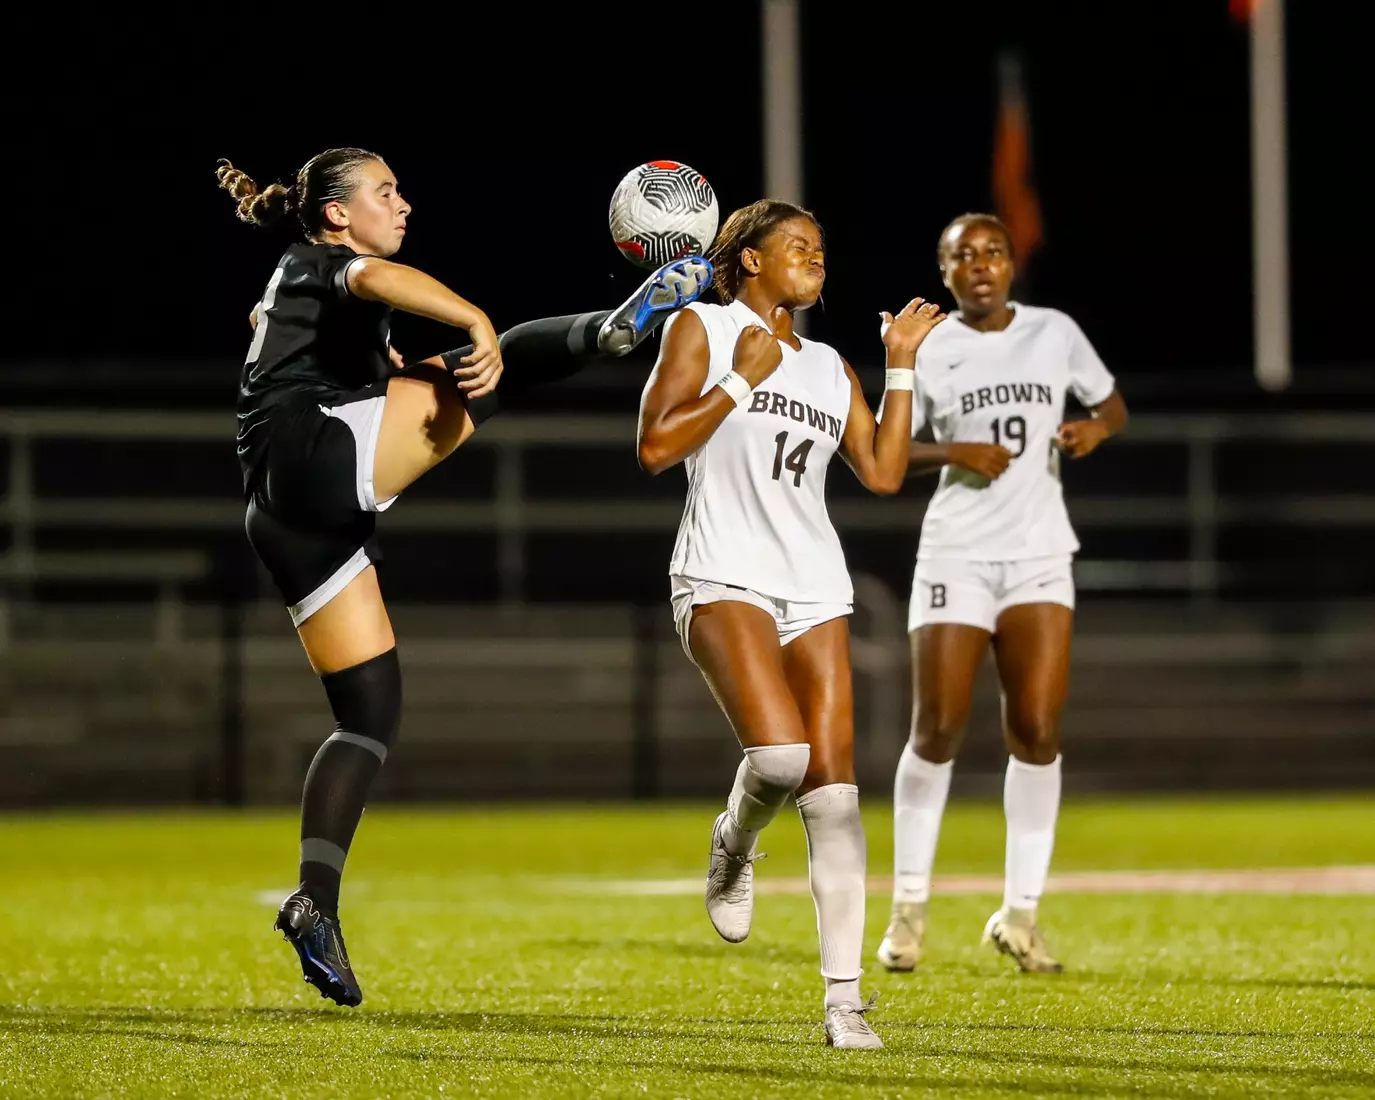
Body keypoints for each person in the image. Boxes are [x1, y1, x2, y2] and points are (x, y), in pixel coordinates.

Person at [217, 147, 713, 1007]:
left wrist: (410, 370)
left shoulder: (306, 282)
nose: (401, 202)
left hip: (287, 515)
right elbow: (376, 282)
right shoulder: (328, 261)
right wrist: (475, 319)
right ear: (337, 213)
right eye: (384, 192)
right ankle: (612, 332)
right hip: (313, 453)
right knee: (507, 352)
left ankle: (314, 904)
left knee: (368, 714)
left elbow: (357, 346)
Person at [637, 198, 946, 1048]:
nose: (814, 258)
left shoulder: (828, 365)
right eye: (796, 248)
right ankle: (733, 841)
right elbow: (656, 448)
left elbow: (882, 471)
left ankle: (843, 1003)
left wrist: (900, 366)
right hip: (720, 570)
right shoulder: (700, 327)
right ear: (747, 261)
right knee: (777, 756)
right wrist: (742, 376)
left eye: (820, 248)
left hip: (814, 581)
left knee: (835, 794)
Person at [875, 213, 1128, 976]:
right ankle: (907, 911)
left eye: (991, 252)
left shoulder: (1054, 331)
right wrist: (954, 449)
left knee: (1037, 730)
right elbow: (886, 449)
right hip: (957, 549)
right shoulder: (929, 344)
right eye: (963, 256)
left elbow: (1110, 404)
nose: (979, 265)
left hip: (1039, 554)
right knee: (939, 728)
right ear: (944, 272)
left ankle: (1019, 915)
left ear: (1011, 263)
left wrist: (1094, 432)